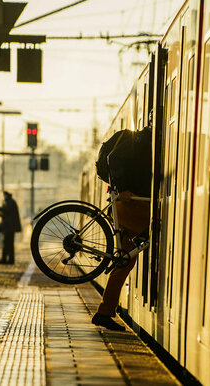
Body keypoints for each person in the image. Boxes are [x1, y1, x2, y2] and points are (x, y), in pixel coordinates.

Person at [91, 126, 152, 331]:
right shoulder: (142, 140)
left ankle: (105, 312)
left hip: (133, 205)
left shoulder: (146, 141)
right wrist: (123, 187)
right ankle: (104, 312)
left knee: (126, 260)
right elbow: (114, 158)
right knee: (126, 259)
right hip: (129, 205)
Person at [0, 191, 21, 264]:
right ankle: (8, 259)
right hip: (9, 226)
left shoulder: (10, 202)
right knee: (8, 244)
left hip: (9, 227)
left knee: (7, 243)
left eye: (4, 195)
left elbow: (6, 211)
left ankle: (7, 259)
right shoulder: (10, 202)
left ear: (6, 195)